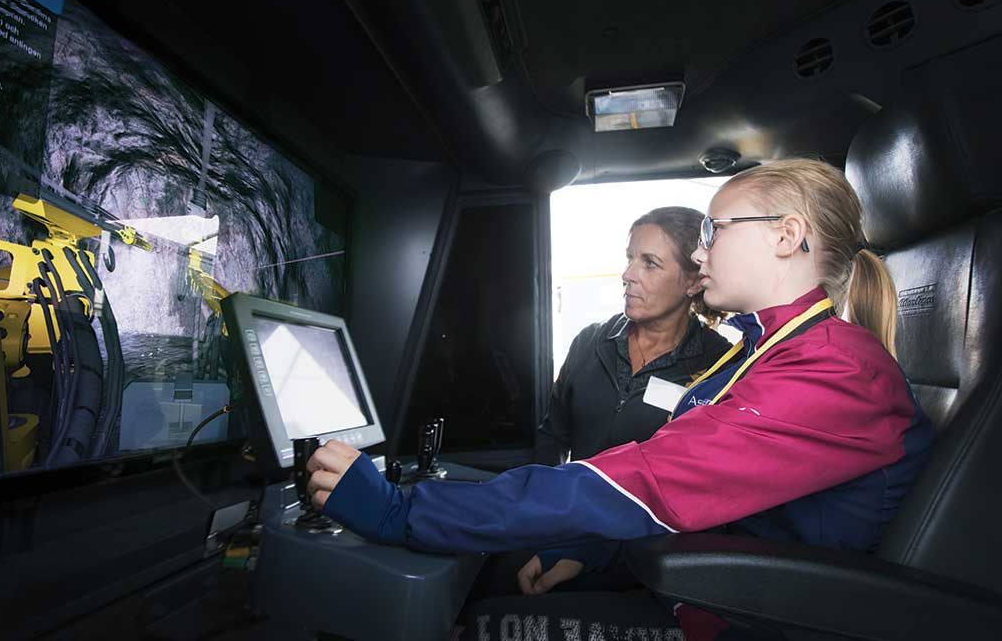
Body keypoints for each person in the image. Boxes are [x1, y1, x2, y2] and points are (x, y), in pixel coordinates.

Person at [305, 159, 934, 639]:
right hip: (699, 580)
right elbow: (699, 490)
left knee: (472, 623)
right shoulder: (768, 349)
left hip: (737, 615)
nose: (700, 250)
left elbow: (650, 479)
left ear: (787, 236)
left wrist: (402, 511)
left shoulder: (833, 368)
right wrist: (588, 545)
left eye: (714, 230)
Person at [537, 206, 731, 466]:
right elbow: (552, 438)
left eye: (650, 263)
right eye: (630, 259)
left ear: (694, 282)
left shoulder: (720, 364)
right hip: (576, 502)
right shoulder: (589, 342)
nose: (627, 275)